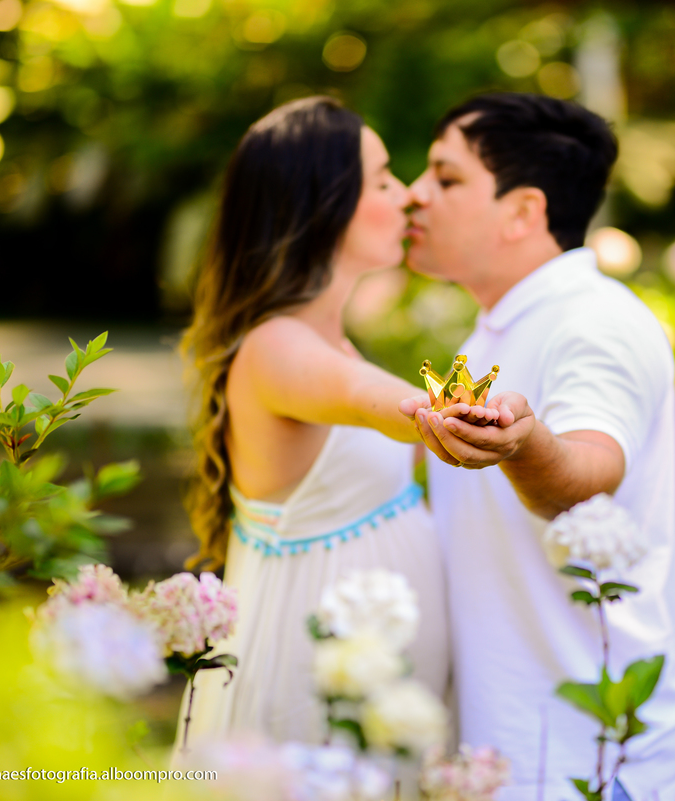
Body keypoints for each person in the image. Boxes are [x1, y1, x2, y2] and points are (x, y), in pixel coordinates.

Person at [400, 93, 675, 801]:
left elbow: (587, 473)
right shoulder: (497, 330)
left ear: (523, 212)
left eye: (447, 179)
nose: (416, 196)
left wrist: (525, 442)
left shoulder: (593, 321)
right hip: (524, 759)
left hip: (602, 768)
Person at [175, 96, 485, 746]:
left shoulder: (326, 339)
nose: (406, 196)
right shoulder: (277, 348)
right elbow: (367, 397)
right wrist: (432, 411)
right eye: (381, 179)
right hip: (311, 686)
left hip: (372, 687)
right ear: (324, 204)